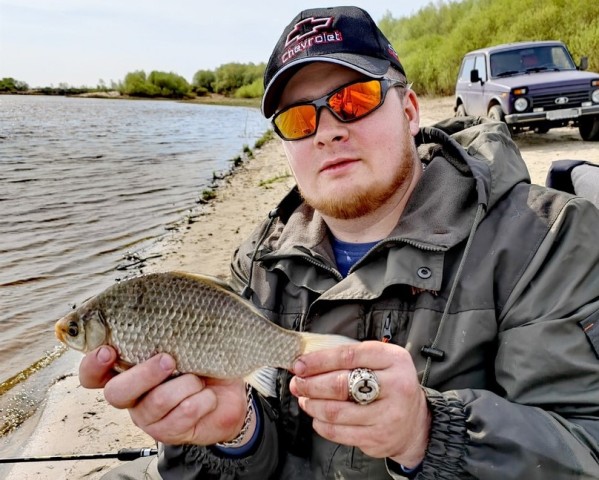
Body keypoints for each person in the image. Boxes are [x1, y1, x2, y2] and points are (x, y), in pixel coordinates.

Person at [79, 6, 599, 479]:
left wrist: (427, 432)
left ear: (410, 110)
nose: (326, 131)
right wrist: (235, 435)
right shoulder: (258, 262)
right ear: (285, 146)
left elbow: (587, 445)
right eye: (299, 118)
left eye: (353, 99)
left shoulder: (548, 238)